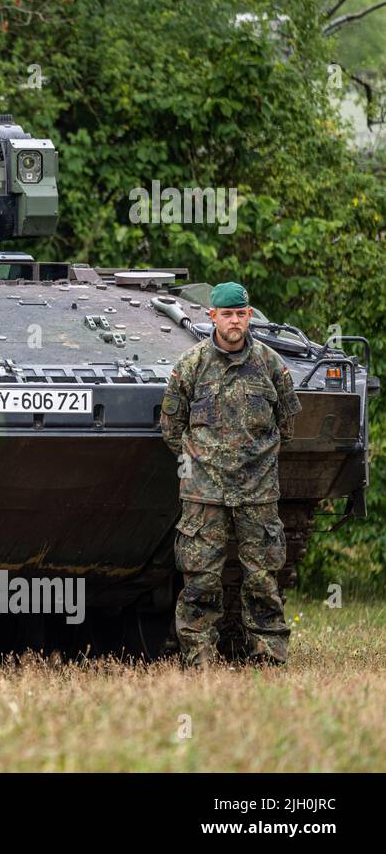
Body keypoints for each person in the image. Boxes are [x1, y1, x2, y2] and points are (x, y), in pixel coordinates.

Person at [160, 281, 301, 666]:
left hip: (258, 493)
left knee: (262, 580)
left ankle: (269, 654)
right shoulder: (190, 366)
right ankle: (199, 658)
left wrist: (253, 460)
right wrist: (206, 462)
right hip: (204, 494)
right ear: (213, 317)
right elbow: (172, 430)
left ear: (249, 316)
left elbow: (286, 426)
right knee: (200, 580)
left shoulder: (272, 365)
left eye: (240, 314)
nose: (234, 321)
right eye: (227, 314)